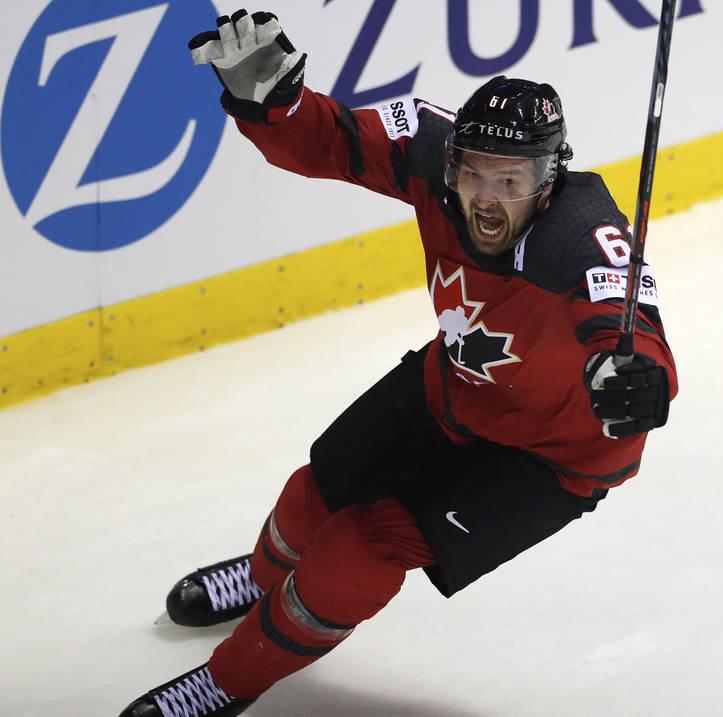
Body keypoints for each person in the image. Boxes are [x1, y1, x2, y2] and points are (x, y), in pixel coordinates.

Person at [120, 9, 677, 717]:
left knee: (358, 549)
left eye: (513, 181)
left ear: (549, 176)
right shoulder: (428, 148)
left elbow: (636, 338)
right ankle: (262, 577)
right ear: (453, 162)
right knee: (317, 486)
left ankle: (227, 680)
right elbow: (330, 139)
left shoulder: (581, 233)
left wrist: (632, 381)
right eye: (475, 174)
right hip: (458, 384)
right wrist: (275, 108)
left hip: (551, 455)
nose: (487, 198)